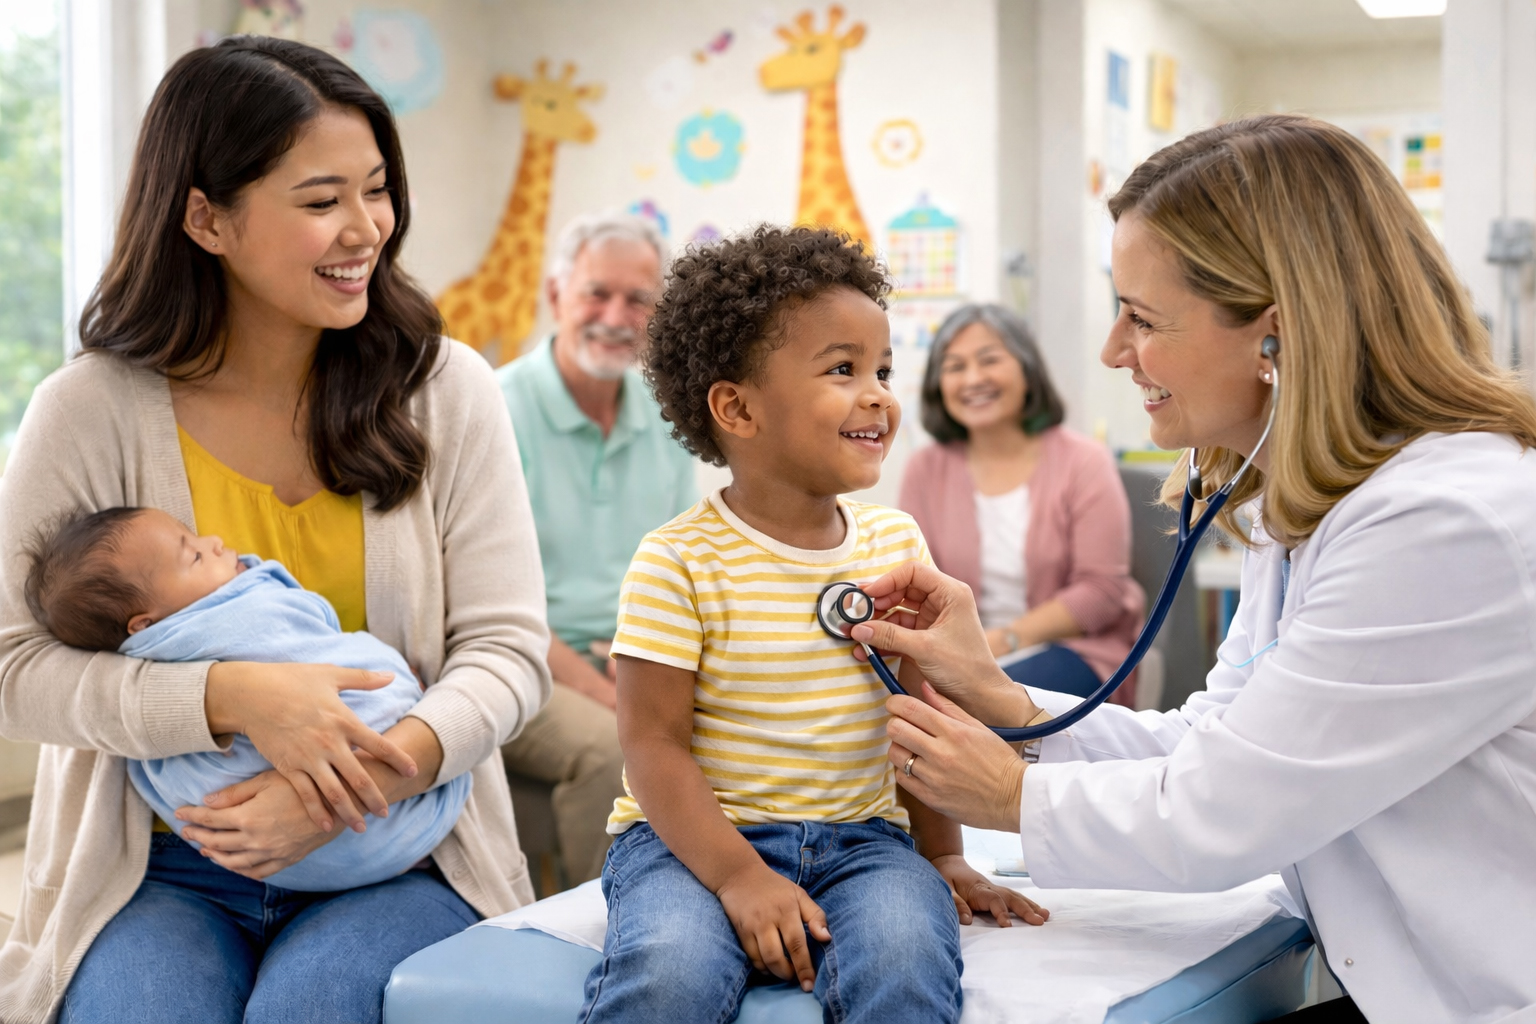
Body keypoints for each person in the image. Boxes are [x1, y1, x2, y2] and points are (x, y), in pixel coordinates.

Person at [847, 114, 1536, 1024]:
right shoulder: (1306, 500)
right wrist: (1001, 699)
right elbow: (1221, 739)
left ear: (1276, 336)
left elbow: (1227, 812)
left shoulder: (1441, 523)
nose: (1111, 351)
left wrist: (1012, 795)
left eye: (1142, 317)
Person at [0, 37, 550, 1023]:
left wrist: (370, 778)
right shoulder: (88, 408)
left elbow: (508, 653)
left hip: (399, 850)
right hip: (160, 865)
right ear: (207, 217)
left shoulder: (447, 390)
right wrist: (230, 698)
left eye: (377, 190)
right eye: (320, 199)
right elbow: (14, 674)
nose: (366, 229)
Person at [579, 227, 1046, 1024]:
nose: (879, 394)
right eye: (843, 369)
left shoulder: (895, 544)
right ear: (737, 407)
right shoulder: (677, 562)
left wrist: (942, 856)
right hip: (689, 846)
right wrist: (737, 876)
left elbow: (919, 718)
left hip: (863, 842)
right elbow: (651, 746)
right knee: (669, 975)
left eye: (883, 370)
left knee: (904, 965)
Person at [23, 506, 471, 892]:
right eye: (195, 555)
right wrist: (404, 690)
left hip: (297, 839)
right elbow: (304, 628)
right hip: (189, 866)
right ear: (143, 625)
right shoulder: (231, 618)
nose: (215, 542)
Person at [497, 211, 697, 886]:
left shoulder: (667, 415)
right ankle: (609, 936)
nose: (616, 315)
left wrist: (643, 663)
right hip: (521, 658)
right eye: (596, 293)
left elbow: (680, 566)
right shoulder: (497, 409)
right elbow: (496, 602)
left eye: (638, 300)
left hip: (633, 652)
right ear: (557, 297)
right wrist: (607, 689)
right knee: (622, 752)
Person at [900, 304, 1143, 700]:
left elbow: (1102, 591)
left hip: (1071, 650)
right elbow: (915, 586)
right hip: (958, 657)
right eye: (955, 366)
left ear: (1027, 371)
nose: (973, 378)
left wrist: (1000, 642)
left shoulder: (1084, 461)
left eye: (989, 360)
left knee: (979, 709)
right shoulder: (925, 470)